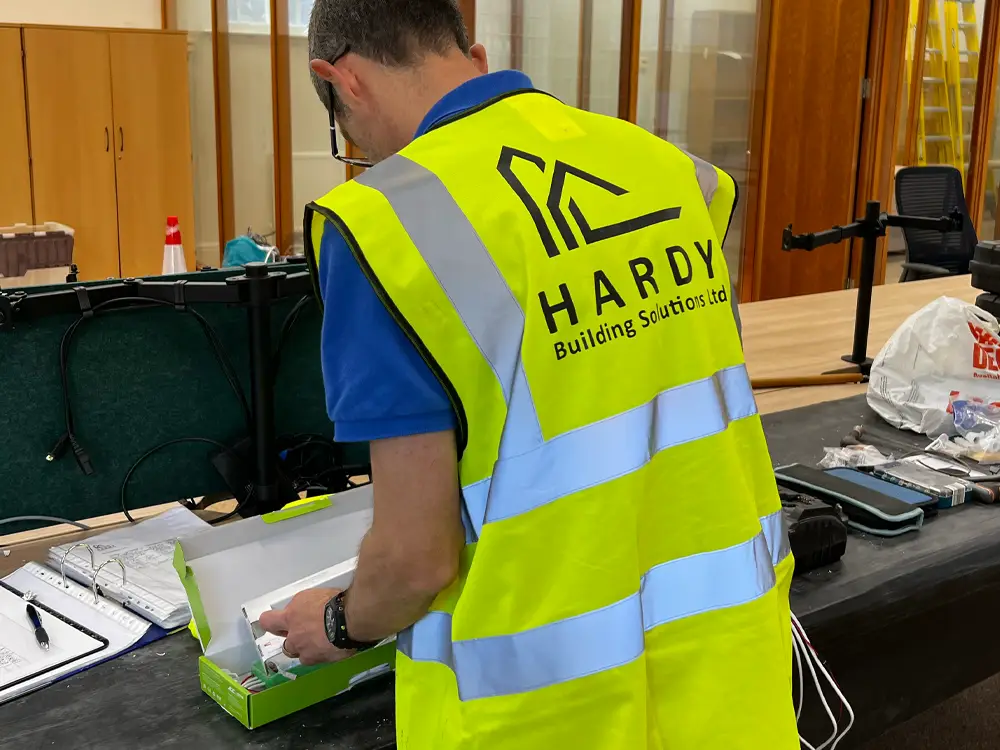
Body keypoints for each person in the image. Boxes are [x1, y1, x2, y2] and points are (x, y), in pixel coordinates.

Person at [259, 1, 799, 747]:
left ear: (341, 80)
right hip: (728, 667)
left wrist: (337, 622)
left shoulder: (382, 226)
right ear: (472, 56)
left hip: (545, 708)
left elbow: (417, 558)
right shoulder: (672, 171)